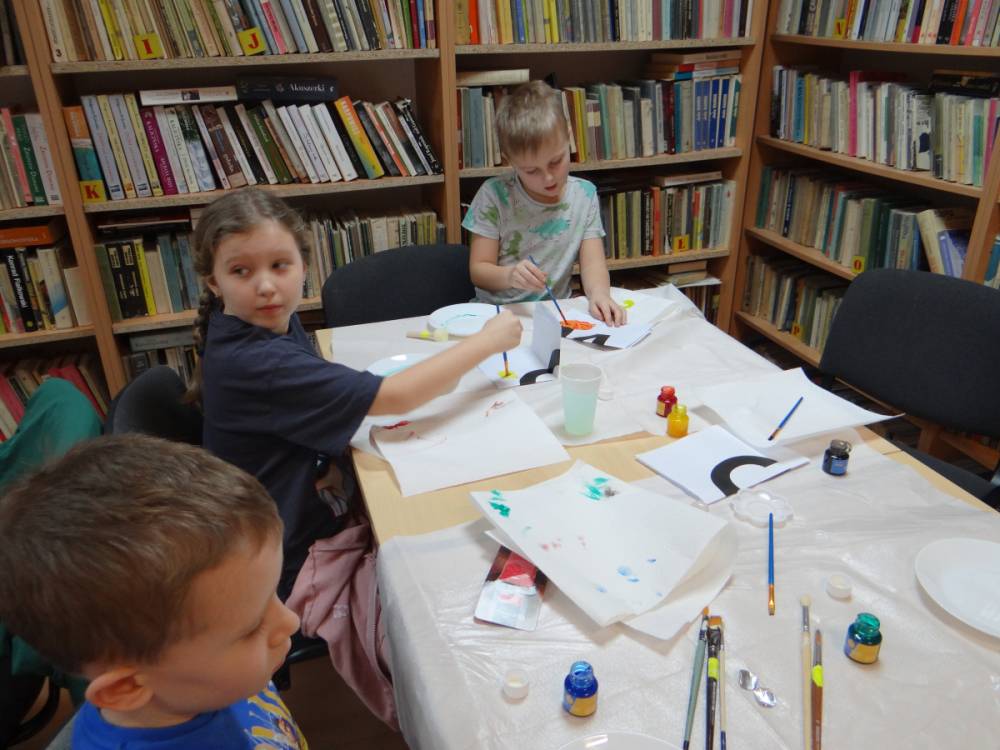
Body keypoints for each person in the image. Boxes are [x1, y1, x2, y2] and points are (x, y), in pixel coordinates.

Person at [184, 188, 522, 600]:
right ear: (213, 281)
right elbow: (395, 396)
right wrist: (487, 342)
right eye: (241, 271)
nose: (266, 286)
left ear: (304, 265)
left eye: (279, 265)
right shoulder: (258, 361)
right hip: (286, 560)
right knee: (445, 565)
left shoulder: (257, 323)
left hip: (285, 512)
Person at [0, 435, 307, 749]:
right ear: (128, 687)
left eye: (272, 593)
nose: (290, 621)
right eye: (252, 628)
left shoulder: (197, 682)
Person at [463, 80, 626, 326]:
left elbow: (593, 264)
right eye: (531, 171)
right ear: (510, 161)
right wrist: (510, 275)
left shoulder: (584, 195)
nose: (548, 178)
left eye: (555, 162)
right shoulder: (493, 195)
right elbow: (478, 271)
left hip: (554, 315)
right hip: (497, 316)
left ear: (568, 138)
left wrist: (600, 295)